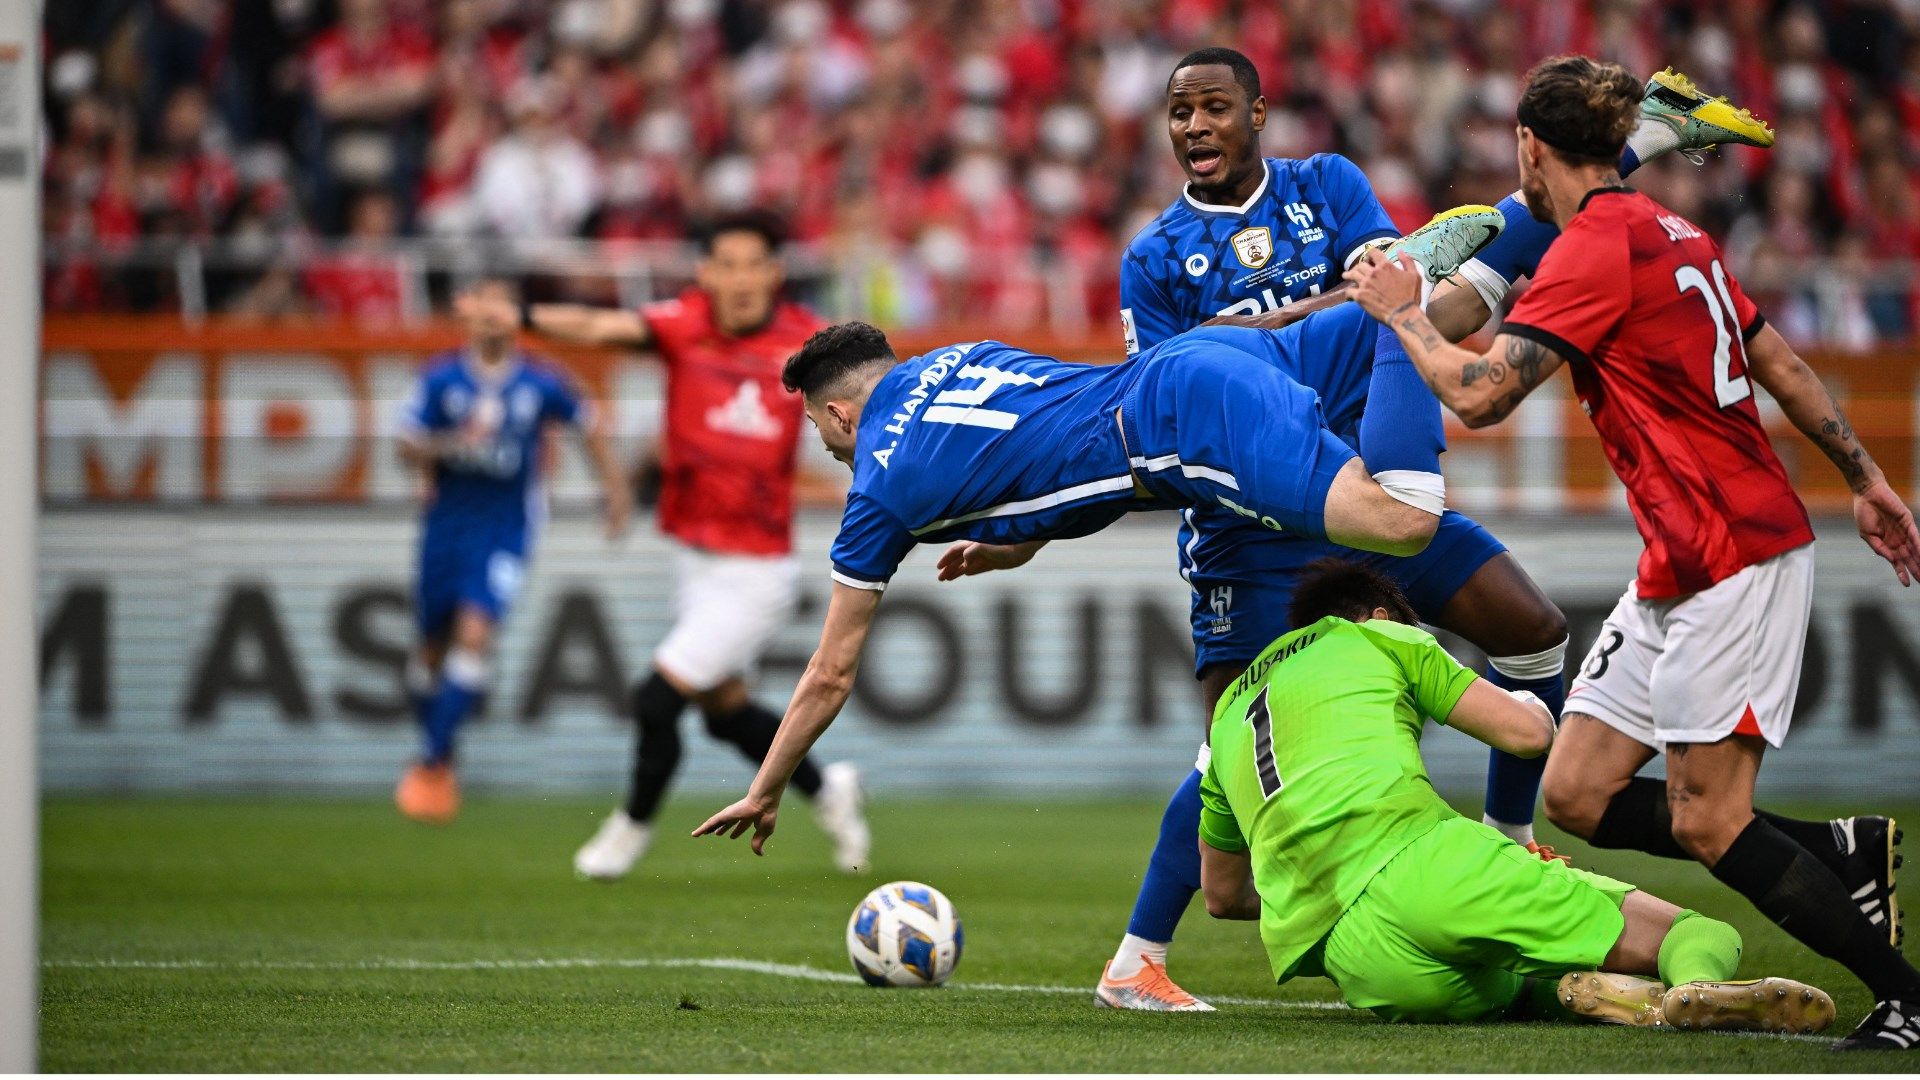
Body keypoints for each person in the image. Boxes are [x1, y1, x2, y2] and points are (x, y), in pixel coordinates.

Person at [944, 47, 1771, 1010]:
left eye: (1214, 108)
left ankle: (1508, 847)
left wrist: (1314, 324)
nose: (1196, 127)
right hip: (1254, 522)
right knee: (1230, 769)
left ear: (1259, 112)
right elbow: (1154, 411)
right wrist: (1039, 528)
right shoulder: (1156, 258)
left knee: (1535, 633)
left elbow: (1396, 290)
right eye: (1180, 113)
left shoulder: (1326, 186)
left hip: (1368, 490)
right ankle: (1138, 958)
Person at [1346, 53, 1920, 1052]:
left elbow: (1481, 396)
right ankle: (1841, 849)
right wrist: (1865, 474)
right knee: (1577, 794)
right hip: (1680, 559)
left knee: (1707, 820)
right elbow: (1775, 356)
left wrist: (1399, 311)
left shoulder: (1593, 248)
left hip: (1735, 552)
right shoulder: (1674, 229)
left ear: (1530, 146)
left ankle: (1907, 997)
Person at [690, 315, 1458, 854]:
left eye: (822, 433)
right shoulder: (958, 355)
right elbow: (1048, 438)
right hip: (1199, 361)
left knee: (1398, 519)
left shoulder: (876, 492)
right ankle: (1517, 227)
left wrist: (767, 786)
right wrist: (1017, 541)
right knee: (1379, 327)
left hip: (1179, 426)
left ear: (838, 413)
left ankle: (1406, 301)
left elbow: (829, 672)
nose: (826, 449)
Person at [1197, 558, 1835, 1034]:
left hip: (1359, 962)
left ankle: (1613, 996)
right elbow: (1527, 734)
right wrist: (1531, 702)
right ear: (1382, 614)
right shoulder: (1380, 636)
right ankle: (1697, 987)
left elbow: (1224, 896)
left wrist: (1317, 884)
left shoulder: (1224, 717)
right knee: (1701, 931)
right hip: (1427, 866)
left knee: (1519, 985)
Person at [516, 213, 871, 879]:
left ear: (774, 272)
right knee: (723, 713)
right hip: (694, 557)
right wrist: (523, 316)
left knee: (657, 698)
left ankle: (630, 827)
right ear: (705, 272)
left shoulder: (805, 343)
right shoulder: (685, 323)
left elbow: (878, 394)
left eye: (752, 264)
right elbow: (601, 327)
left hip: (758, 568)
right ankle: (830, 790)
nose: (740, 279)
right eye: (726, 264)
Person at [394, 276, 631, 823]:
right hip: (445, 526)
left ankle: (429, 765)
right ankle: (442, 751)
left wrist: (614, 491)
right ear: (468, 315)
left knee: (475, 634)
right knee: (430, 652)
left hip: (506, 528)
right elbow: (405, 444)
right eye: (483, 306)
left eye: (503, 307)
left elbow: (589, 426)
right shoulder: (439, 379)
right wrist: (447, 446)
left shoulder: (541, 381)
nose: (492, 317)